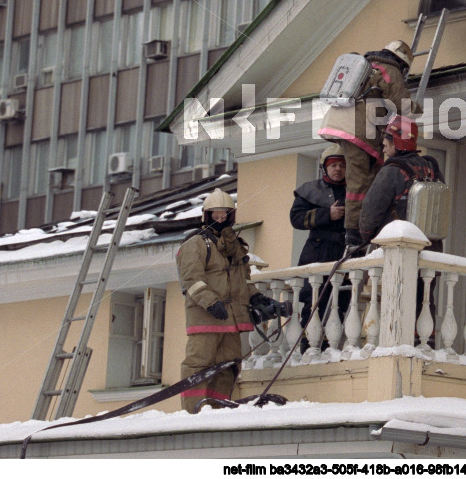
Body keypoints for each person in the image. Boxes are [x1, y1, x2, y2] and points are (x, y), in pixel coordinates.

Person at [175, 188, 280, 412]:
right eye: (216, 215)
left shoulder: (236, 248)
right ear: (207, 216)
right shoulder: (195, 243)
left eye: (225, 214)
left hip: (231, 321)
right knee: (198, 365)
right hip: (206, 318)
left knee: (229, 366)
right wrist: (211, 302)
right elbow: (191, 279)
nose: (220, 219)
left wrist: (259, 299)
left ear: (231, 216)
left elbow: (243, 283)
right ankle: (193, 411)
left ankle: (218, 408)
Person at [318, 40, 417, 253]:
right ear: (403, 62)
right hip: (358, 130)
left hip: (342, 124)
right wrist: (418, 107)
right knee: (360, 179)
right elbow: (401, 103)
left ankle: (363, 224)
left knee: (367, 175)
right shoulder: (390, 69)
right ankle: (354, 233)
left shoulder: (367, 65)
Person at [289, 145, 351, 343]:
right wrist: (327, 214)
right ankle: (309, 349)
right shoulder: (310, 190)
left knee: (340, 304)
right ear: (325, 167)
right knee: (313, 303)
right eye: (333, 165)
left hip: (344, 253)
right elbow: (296, 218)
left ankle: (331, 350)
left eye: (342, 165)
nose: (338, 169)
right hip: (316, 252)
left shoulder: (354, 191)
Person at [358, 115, 445, 249]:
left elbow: (371, 210)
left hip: (398, 248)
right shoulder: (433, 169)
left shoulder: (392, 170)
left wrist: (366, 235)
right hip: (432, 249)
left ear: (395, 143)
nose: (384, 150)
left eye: (386, 145)